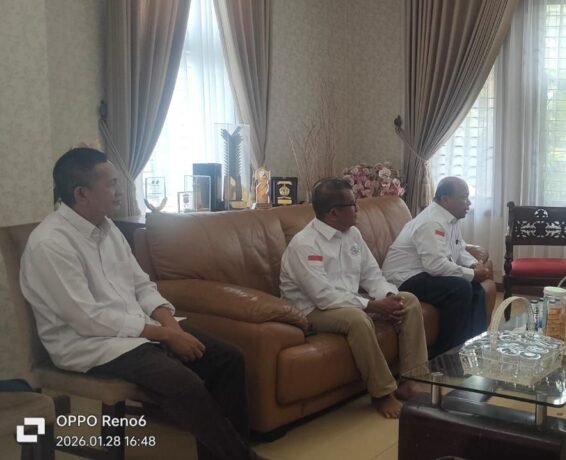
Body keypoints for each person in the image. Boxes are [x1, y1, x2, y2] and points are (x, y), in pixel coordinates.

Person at [20, 148, 258, 460]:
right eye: (111, 184)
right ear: (81, 194)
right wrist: (165, 335)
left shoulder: (108, 230)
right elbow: (87, 318)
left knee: (228, 360)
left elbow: (142, 286)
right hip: (90, 344)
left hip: (137, 333)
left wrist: (171, 327)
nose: (120, 191)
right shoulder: (51, 243)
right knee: (183, 383)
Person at [279, 178, 427, 419]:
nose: (358, 209)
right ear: (334, 213)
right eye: (353, 204)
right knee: (357, 319)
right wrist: (372, 305)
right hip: (311, 309)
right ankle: (382, 393)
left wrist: (389, 296)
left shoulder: (353, 234)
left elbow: (372, 275)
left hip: (348, 300)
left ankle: (412, 380)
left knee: (407, 300)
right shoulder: (304, 244)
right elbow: (324, 297)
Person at [382, 177, 491, 356]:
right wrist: (472, 273)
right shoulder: (431, 222)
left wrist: (475, 265)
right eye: (464, 197)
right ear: (445, 199)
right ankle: (447, 355)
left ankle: (475, 348)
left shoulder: (450, 219)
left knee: (476, 288)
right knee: (460, 288)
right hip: (403, 278)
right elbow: (436, 266)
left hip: (423, 272)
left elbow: (459, 248)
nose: (469, 203)